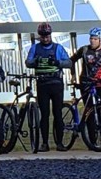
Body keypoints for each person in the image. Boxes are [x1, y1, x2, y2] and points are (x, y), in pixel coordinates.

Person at [25, 22, 72, 152]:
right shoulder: (35, 48)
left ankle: (60, 143)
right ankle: (45, 143)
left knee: (57, 113)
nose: (45, 38)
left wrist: (58, 62)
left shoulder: (58, 48)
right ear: (39, 36)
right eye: (43, 36)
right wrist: (36, 61)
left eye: (47, 36)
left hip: (56, 83)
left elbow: (69, 62)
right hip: (42, 84)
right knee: (44, 115)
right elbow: (28, 62)